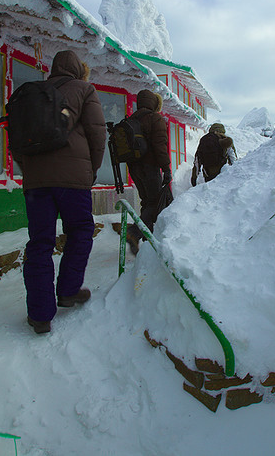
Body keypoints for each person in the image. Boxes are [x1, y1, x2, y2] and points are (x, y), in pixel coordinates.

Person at [18, 50, 106, 334]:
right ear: (78, 70)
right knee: (80, 230)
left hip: (36, 183)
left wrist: (29, 169)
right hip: (73, 181)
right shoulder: (84, 89)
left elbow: (16, 139)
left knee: (39, 243)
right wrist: (91, 170)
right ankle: (68, 290)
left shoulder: (34, 93)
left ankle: (40, 315)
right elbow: (97, 133)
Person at [126, 89, 172, 254]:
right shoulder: (154, 118)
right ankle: (135, 232)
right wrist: (166, 169)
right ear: (153, 103)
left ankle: (146, 239)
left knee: (147, 202)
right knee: (154, 203)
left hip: (134, 169)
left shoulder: (132, 119)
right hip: (150, 167)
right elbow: (160, 146)